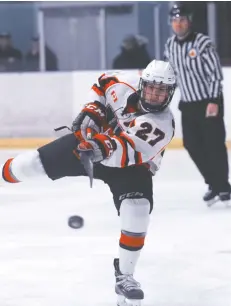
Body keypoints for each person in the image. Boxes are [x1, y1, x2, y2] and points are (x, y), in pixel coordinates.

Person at [0, 60, 176, 306]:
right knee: (28, 165)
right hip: (92, 144)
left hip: (131, 165)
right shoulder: (123, 82)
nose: (155, 95)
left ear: (170, 93)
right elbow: (103, 84)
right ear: (142, 85)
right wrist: (94, 110)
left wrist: (99, 146)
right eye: (151, 88)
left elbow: (128, 151)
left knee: (137, 210)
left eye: (162, 91)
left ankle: (125, 276)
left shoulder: (162, 124)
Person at [164, 3, 231, 206]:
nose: (179, 24)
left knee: (214, 145)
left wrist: (213, 101)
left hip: (208, 102)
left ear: (189, 21)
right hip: (188, 103)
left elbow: (215, 75)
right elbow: (172, 75)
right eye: (175, 21)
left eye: (182, 20)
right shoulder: (170, 45)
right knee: (191, 144)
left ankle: (222, 187)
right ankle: (215, 183)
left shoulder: (202, 42)